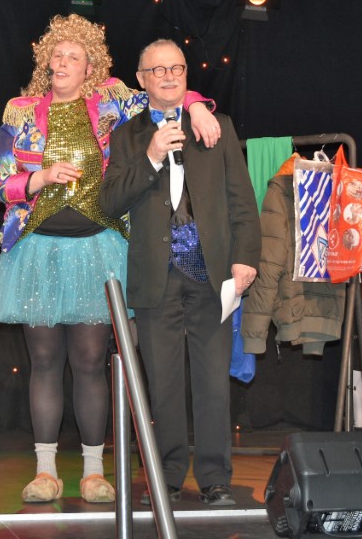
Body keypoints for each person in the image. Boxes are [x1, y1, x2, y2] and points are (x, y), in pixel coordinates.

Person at [0, 15, 221, 504]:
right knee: (44, 361)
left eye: (74, 56)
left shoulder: (112, 101)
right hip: (38, 250)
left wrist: (196, 106)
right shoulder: (20, 112)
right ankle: (45, 472)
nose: (62, 62)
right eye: (57, 54)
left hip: (97, 248)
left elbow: (164, 92)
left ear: (90, 67)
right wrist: (39, 178)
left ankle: (93, 472)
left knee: (91, 362)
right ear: (46, 61)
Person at [99, 39, 261, 506]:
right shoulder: (127, 136)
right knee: (163, 385)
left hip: (211, 271)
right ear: (142, 79)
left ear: (186, 74)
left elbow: (241, 199)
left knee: (212, 383)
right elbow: (109, 202)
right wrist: (151, 156)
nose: (169, 76)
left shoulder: (214, 125)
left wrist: (246, 257)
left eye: (177, 68)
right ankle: (166, 477)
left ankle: (215, 479)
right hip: (156, 275)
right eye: (158, 70)